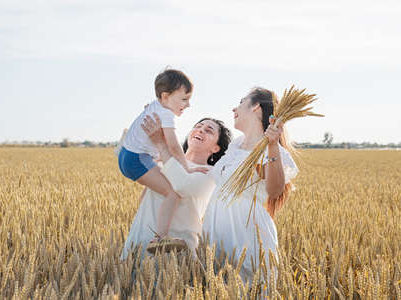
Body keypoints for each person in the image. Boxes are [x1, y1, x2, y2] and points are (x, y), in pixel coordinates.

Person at [202, 87, 299, 281]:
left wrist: (272, 146)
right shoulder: (236, 145)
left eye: (240, 102)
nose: (233, 108)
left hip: (245, 239)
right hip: (216, 238)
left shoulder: (269, 149)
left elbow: (274, 191)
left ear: (256, 107)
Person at [121, 115, 232, 259]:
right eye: (198, 126)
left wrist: (161, 144)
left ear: (216, 148)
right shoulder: (164, 162)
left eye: (208, 130)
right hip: (140, 241)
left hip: (175, 252)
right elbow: (144, 201)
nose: (200, 130)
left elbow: (182, 185)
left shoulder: (210, 173)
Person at [117, 69, 208, 246]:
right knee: (172, 194)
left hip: (126, 155)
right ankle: (160, 238)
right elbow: (174, 146)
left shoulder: (155, 106)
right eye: (184, 99)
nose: (188, 104)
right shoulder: (166, 114)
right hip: (137, 158)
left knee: (162, 178)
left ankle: (141, 224)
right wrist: (187, 168)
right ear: (165, 97)